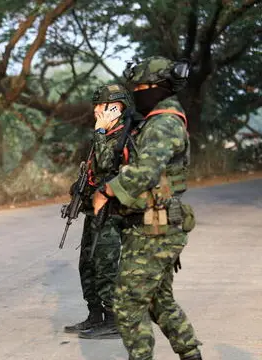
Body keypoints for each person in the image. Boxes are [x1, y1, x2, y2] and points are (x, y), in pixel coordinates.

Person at [92, 56, 202, 359]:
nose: (137, 92)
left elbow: (146, 170)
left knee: (128, 305)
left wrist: (107, 191)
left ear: (157, 87)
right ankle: (191, 354)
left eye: (140, 87)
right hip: (154, 224)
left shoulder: (164, 122)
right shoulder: (154, 120)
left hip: (156, 227)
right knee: (159, 302)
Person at [64, 84, 133, 340]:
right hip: (94, 212)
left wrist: (100, 132)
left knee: (105, 265)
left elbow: (107, 164)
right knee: (87, 264)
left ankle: (113, 320)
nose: (95, 110)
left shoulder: (123, 136)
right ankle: (94, 315)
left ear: (117, 107)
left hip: (112, 213)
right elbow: (94, 171)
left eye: (101, 105)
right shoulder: (103, 135)